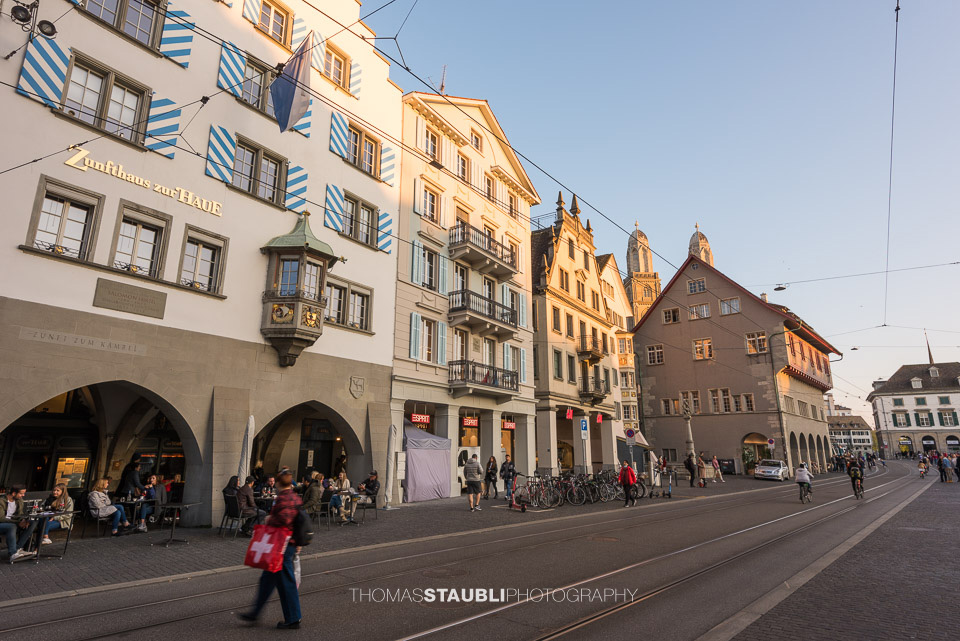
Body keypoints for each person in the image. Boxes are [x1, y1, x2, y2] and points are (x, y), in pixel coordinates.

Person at [238, 467, 302, 629]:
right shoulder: (295, 497)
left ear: (278, 483)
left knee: (285, 582)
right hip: (287, 544)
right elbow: (299, 520)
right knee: (267, 580)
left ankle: (293, 618)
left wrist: (269, 520)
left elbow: (284, 521)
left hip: (282, 546)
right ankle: (254, 613)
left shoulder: (283, 499)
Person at [0, 485, 37, 561]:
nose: (23, 495)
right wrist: (18, 522)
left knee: (32, 523)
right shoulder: (1, 501)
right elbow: (1, 518)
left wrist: (23, 520)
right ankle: (13, 553)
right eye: (21, 493)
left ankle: (17, 549)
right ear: (14, 493)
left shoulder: (19, 501)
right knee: (12, 526)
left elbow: (20, 514)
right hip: (2, 524)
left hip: (13, 523)